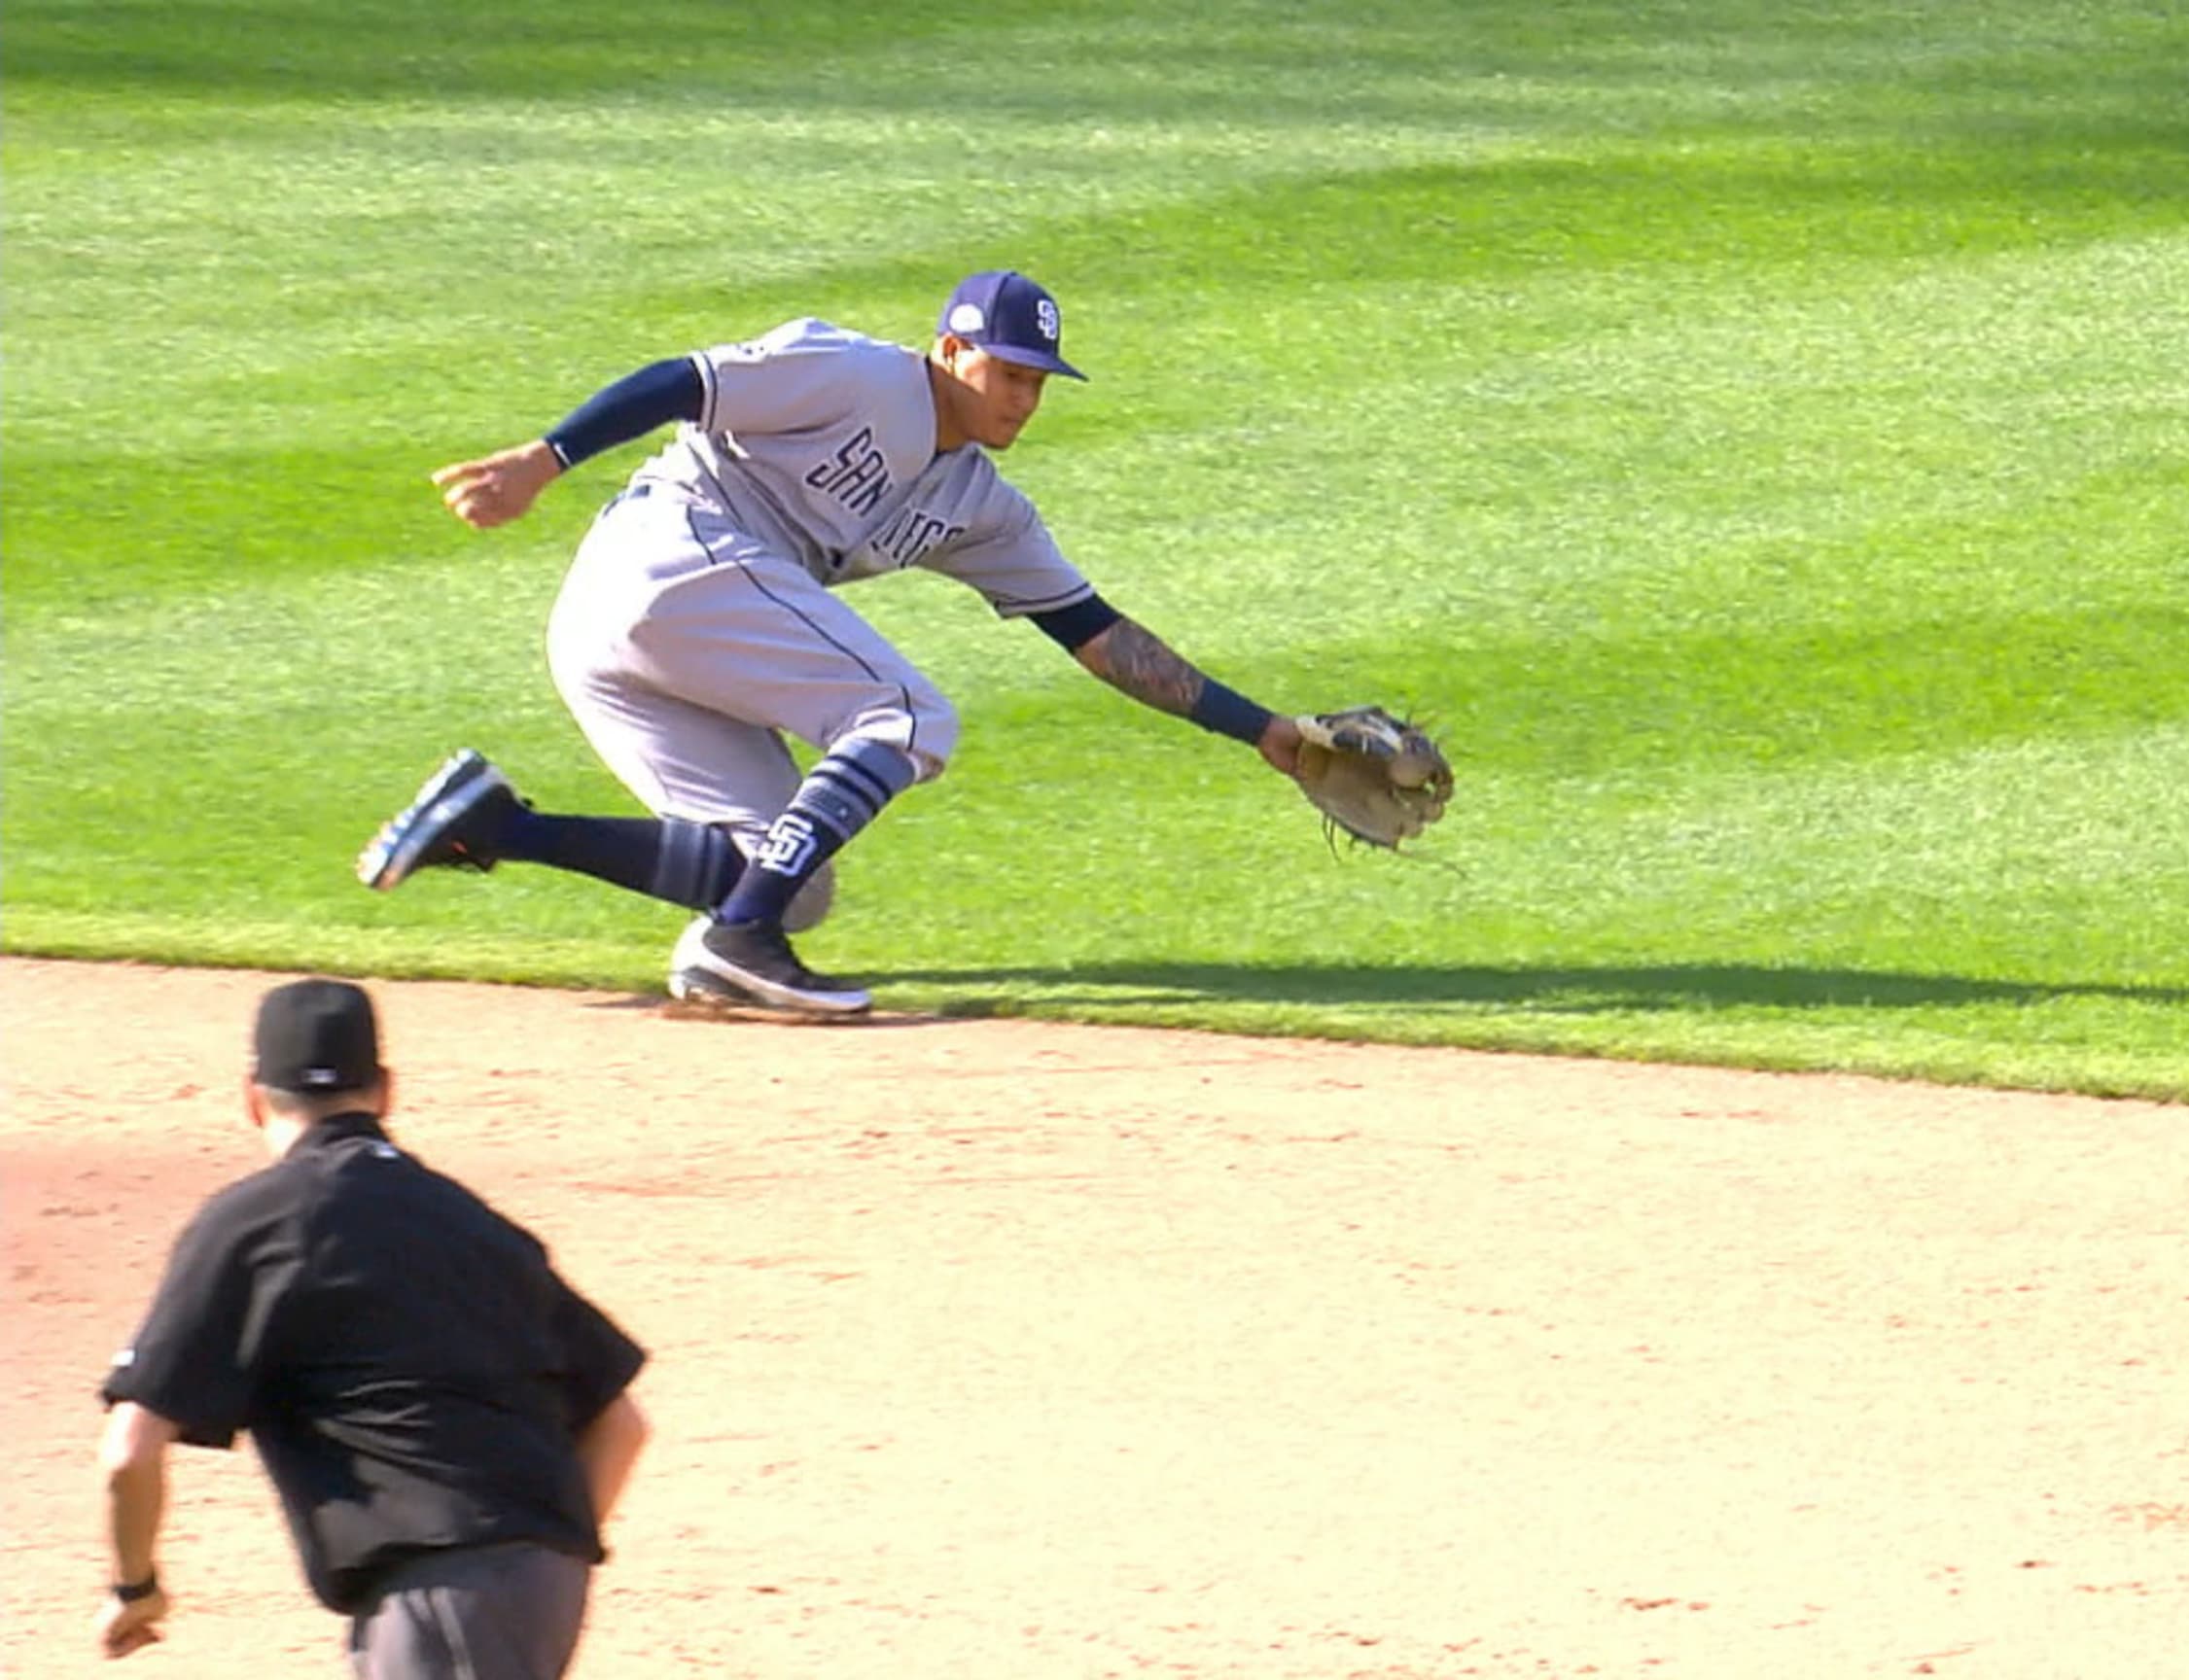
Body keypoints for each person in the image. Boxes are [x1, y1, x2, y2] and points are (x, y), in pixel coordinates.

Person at [358, 267, 1317, 1016]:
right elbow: (686, 382)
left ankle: (501, 826)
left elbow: (1100, 637)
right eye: (1009, 374)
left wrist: (1266, 731)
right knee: (905, 715)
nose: (1024, 399)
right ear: (950, 350)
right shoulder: (856, 372)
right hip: (666, 551)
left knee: (793, 877)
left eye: (1038, 383)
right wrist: (543, 460)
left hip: (661, 625)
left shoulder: (984, 509)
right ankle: (739, 939)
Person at [93, 979, 651, 1677]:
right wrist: (541, 1551)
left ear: (253, 1097)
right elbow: (621, 1423)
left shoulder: (254, 1222)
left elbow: (129, 1451)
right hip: (513, 1583)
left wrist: (135, 1588)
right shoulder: (472, 1223)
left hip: (442, 1586)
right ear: (386, 1091)